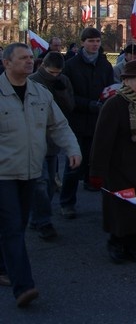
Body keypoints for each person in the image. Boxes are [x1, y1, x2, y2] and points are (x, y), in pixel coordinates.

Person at [0, 43, 81, 308]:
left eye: (30, 57)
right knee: (12, 227)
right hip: (3, 174)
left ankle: (4, 264)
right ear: (6, 63)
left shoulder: (39, 92)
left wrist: (72, 148)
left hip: (31, 171)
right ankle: (24, 286)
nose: (29, 61)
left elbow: (57, 124)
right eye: (22, 58)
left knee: (18, 226)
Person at [88, 59, 136, 265]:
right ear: (126, 81)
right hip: (120, 168)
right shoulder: (114, 104)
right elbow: (102, 141)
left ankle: (134, 248)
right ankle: (117, 245)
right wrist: (97, 172)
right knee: (122, 209)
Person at [59, 27, 115, 219]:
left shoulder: (105, 65)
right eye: (91, 41)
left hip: (99, 121)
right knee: (73, 165)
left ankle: (103, 197)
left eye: (97, 41)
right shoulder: (71, 65)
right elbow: (68, 96)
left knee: (99, 163)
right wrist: (89, 104)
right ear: (82, 42)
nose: (95, 45)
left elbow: (110, 88)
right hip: (77, 121)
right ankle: (67, 203)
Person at [27, 51, 75, 241]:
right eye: (51, 72)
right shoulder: (32, 81)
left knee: (49, 184)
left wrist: (61, 90)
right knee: (41, 182)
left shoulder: (63, 80)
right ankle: (43, 220)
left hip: (52, 140)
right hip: (35, 140)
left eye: (57, 73)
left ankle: (37, 217)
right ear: (43, 66)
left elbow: (69, 106)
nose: (53, 76)